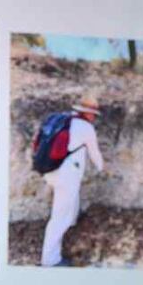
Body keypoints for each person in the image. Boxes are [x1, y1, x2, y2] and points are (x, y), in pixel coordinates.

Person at [40, 96, 105, 267]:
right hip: (66, 176)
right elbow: (95, 153)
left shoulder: (62, 119)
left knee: (69, 200)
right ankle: (50, 260)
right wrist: (102, 168)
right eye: (93, 114)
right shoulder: (85, 127)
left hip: (51, 171)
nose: (94, 117)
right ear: (87, 114)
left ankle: (74, 218)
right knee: (59, 218)